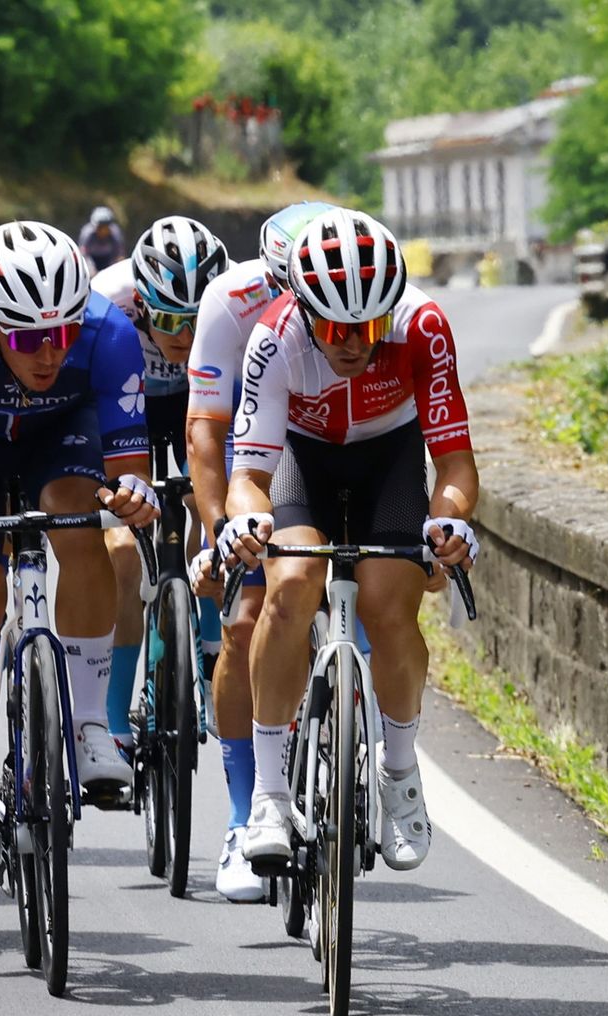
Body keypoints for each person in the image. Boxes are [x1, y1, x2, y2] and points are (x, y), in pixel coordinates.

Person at [219, 207, 480, 872]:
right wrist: (246, 520)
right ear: (302, 307)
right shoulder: (273, 336)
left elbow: (453, 463)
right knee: (290, 590)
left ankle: (397, 773)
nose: (352, 342)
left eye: (366, 326)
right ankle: (271, 797)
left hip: (388, 459)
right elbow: (248, 473)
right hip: (302, 461)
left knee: (390, 605)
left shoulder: (422, 326)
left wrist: (448, 521)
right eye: (334, 326)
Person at [0, 220, 160, 896]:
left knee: (85, 526)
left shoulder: (108, 333)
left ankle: (87, 724)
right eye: (25, 338)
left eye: (61, 334)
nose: (47, 354)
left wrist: (134, 495)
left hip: (60, 434)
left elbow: (130, 469)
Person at [183, 201, 332, 899]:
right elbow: (208, 433)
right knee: (242, 625)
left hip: (343, 443)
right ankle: (245, 819)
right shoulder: (232, 302)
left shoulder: (357, 300)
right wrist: (220, 534)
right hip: (261, 452)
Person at [89, 215, 228, 762]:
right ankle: (116, 717)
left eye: (197, 321)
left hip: (200, 399)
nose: (186, 337)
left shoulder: (235, 297)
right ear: (142, 303)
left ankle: (212, 648)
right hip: (130, 406)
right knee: (124, 550)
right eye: (169, 320)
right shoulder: (105, 299)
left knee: (206, 508)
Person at [78, 205, 126, 273]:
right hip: (91, 259)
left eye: (105, 227)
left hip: (108, 259)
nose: (103, 231)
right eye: (100, 227)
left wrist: (114, 270)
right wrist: (91, 270)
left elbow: (119, 255)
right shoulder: (87, 233)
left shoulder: (115, 232)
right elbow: (83, 254)